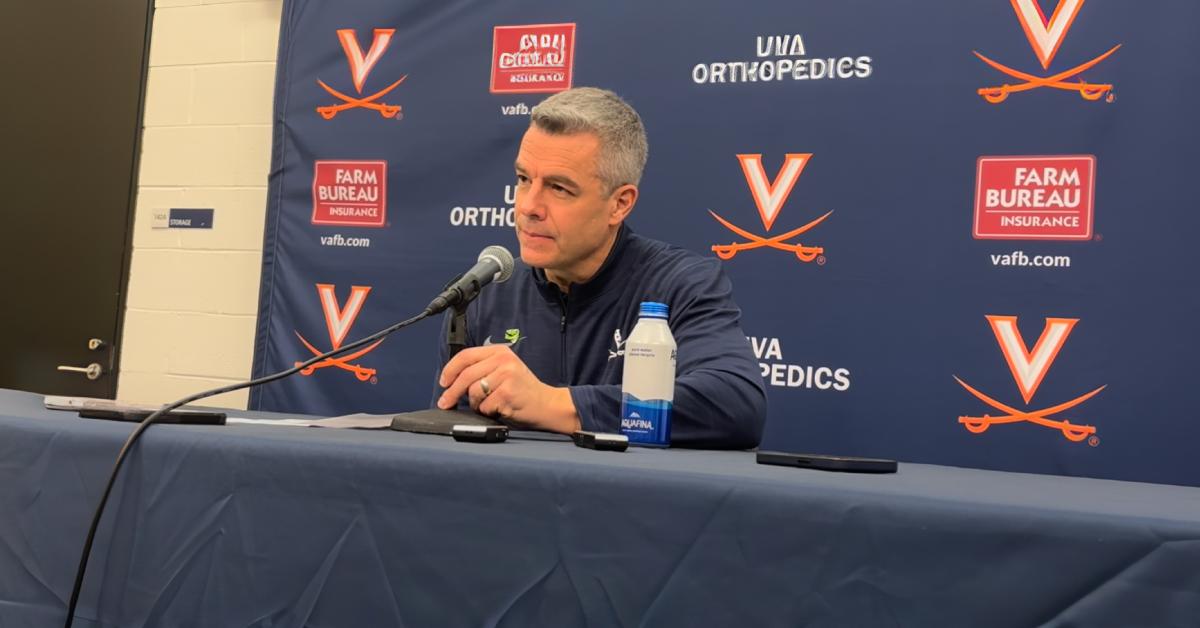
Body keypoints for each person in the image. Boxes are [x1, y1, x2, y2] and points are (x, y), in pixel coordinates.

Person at [434, 87, 766, 449]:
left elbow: (736, 405)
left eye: (559, 188)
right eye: (523, 179)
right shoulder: (486, 292)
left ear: (619, 204)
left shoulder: (680, 283)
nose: (529, 206)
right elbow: (449, 441)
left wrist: (553, 404)